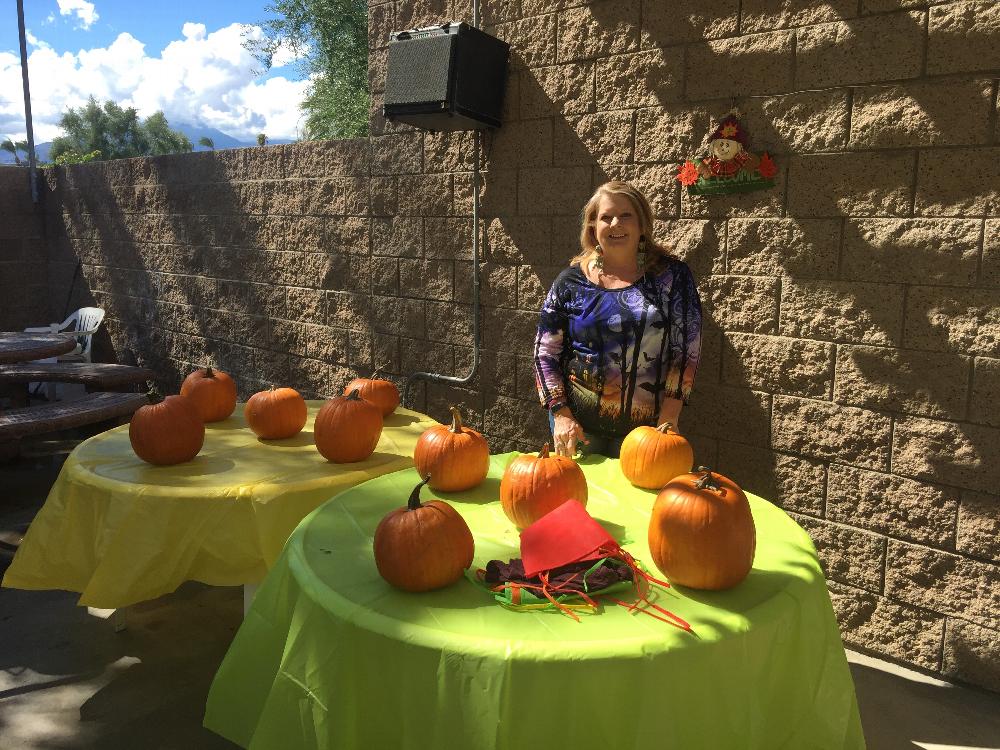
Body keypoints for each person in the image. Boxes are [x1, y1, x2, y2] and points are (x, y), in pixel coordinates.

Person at [533, 181, 703, 458]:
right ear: (592, 227)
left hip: (647, 434)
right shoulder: (570, 282)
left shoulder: (672, 277)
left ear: (641, 224)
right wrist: (560, 413)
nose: (615, 224)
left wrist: (669, 419)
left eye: (626, 216)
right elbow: (545, 352)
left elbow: (685, 353)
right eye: (605, 217)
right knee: (580, 498)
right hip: (577, 428)